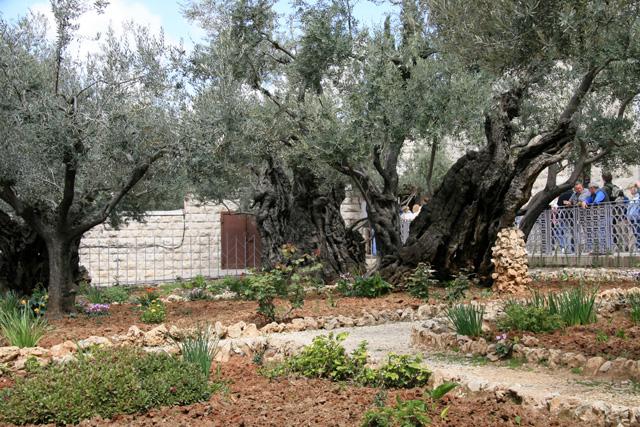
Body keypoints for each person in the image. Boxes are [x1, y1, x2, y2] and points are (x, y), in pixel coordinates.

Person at [582, 182, 610, 253]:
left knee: (603, 232)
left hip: (604, 215)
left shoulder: (600, 192)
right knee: (598, 232)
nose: (589, 191)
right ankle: (600, 249)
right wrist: (585, 202)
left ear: (592, 188)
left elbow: (596, 201)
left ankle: (604, 250)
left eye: (589, 189)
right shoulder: (594, 194)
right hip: (599, 216)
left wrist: (590, 203)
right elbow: (589, 199)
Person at [628, 184, 640, 251]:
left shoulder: (638, 197)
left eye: (632, 189)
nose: (631, 190)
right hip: (632, 218)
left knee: (638, 232)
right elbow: (629, 208)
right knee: (635, 232)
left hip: (637, 217)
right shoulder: (632, 198)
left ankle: (639, 246)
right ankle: (638, 246)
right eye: (630, 189)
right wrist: (627, 216)